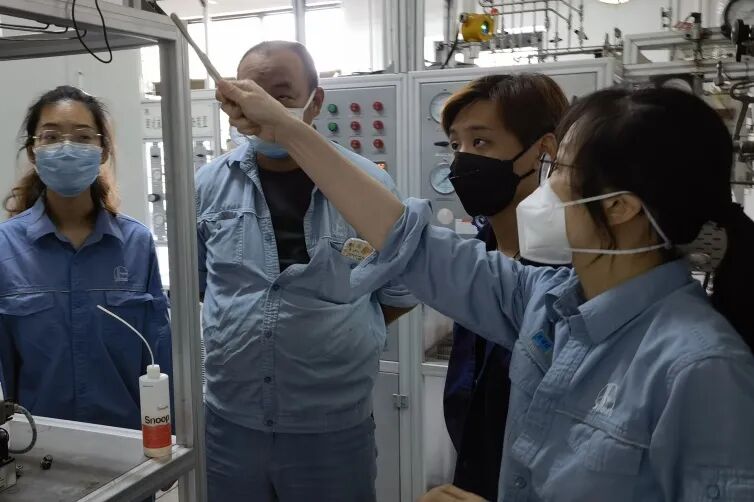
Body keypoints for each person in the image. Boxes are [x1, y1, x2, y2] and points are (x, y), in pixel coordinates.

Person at [216, 80, 754, 501]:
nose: (546, 186)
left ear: (619, 207)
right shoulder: (546, 301)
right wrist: (288, 130)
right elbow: (410, 241)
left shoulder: (700, 367)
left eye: (561, 169)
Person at [196, 41, 417, 502]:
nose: (262, 109)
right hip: (231, 425)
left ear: (315, 102)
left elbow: (398, 291)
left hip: (332, 429)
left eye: (280, 95)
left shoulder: (368, 186)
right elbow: (203, 285)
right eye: (250, 94)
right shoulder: (208, 186)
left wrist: (336, 335)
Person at [0, 86, 172, 431]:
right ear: (33, 151)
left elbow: (159, 356)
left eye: (82, 137)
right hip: (37, 443)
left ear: (102, 150)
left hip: (126, 440)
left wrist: (168, 438)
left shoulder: (136, 244)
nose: (66, 148)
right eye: (51, 137)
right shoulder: (6, 248)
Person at [440, 74, 567, 501]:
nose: (461, 162)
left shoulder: (573, 272)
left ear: (544, 150)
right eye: (455, 145)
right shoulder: (480, 253)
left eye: (480, 142)